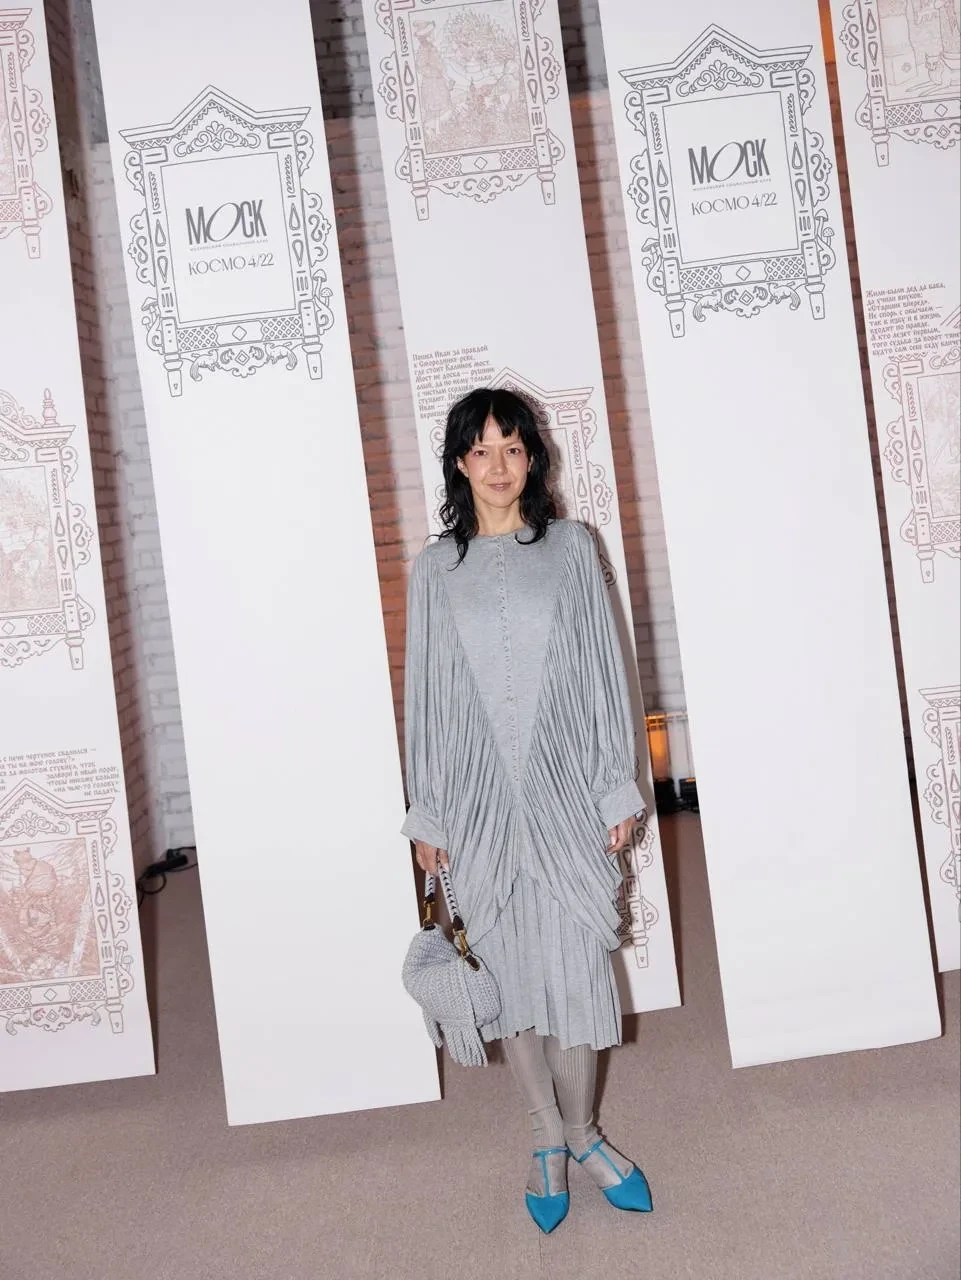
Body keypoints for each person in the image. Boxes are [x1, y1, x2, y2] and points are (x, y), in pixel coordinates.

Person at [402, 387, 652, 1233]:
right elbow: (427, 699)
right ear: (459, 463)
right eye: (481, 450)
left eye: (512, 448)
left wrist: (614, 785)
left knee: (575, 971)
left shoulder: (573, 548)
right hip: (478, 804)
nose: (499, 466)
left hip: (563, 790)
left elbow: (603, 671)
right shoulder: (435, 570)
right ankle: (545, 1136)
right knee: (506, 973)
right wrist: (429, 814)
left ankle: (584, 1134)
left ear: (532, 458)